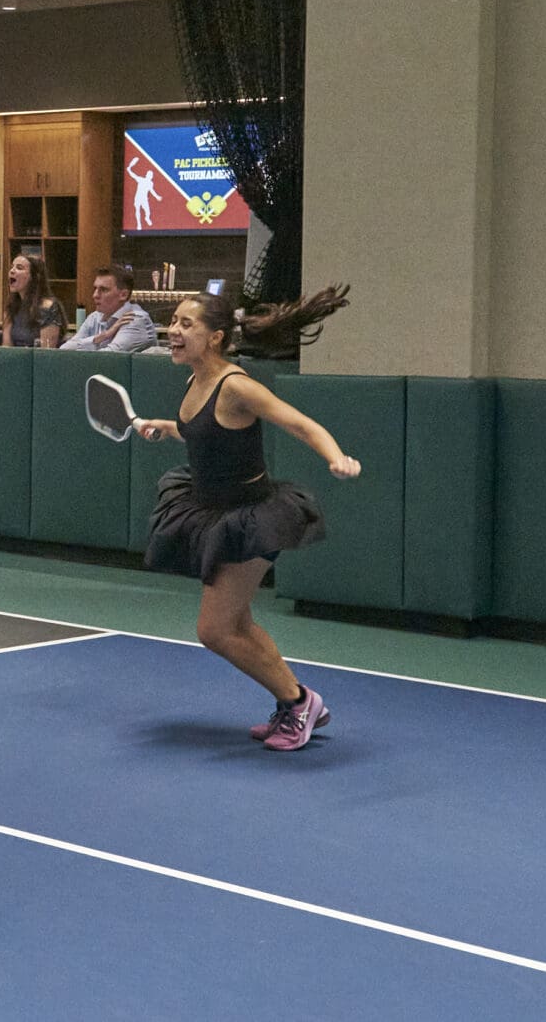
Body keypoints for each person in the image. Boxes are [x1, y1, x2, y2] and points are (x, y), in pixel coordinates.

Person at [132, 287, 357, 750]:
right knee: (237, 625)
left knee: (214, 630)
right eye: (173, 322)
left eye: (187, 324)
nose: (173, 331)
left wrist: (336, 457)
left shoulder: (236, 386)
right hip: (210, 511)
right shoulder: (194, 380)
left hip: (251, 517)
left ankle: (299, 701)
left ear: (215, 337)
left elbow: (300, 424)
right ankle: (297, 704)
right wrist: (167, 427)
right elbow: (208, 434)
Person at [61, 265, 157, 352]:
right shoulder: (95, 317)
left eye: (103, 290)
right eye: (95, 289)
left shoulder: (135, 319)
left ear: (123, 295)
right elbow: (64, 350)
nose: (95, 295)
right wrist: (103, 336)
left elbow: (107, 358)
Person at [0, 253, 68, 348]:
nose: (12, 271)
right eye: (12, 267)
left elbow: (46, 351)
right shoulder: (11, 307)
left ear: (34, 277)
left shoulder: (48, 307)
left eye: (19, 268)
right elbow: (7, 346)